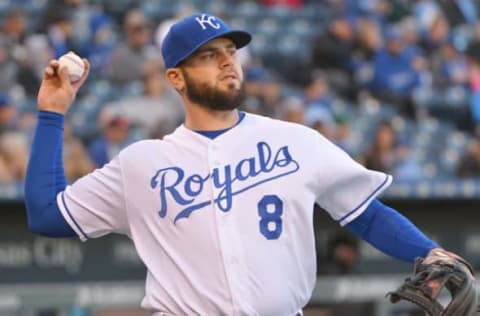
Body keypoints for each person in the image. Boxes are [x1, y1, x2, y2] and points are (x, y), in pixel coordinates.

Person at [24, 13, 467, 315]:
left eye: (229, 51)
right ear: (175, 78)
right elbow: (47, 214)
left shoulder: (295, 142)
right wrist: (52, 113)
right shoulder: (142, 163)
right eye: (207, 55)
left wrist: (427, 251)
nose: (226, 61)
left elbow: (367, 215)